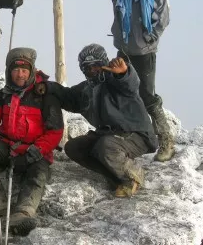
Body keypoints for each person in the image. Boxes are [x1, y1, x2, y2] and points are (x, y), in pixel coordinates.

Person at [84, 0, 174, 161]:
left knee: (146, 94)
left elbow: (163, 15)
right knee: (119, 91)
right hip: (123, 52)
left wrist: (152, 35)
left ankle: (166, 140)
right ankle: (124, 138)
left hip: (145, 52)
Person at [0, 47, 63, 236]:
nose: (20, 74)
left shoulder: (45, 95)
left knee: (36, 176)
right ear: (9, 71)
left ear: (31, 71)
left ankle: (23, 212)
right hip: (7, 145)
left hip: (36, 150)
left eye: (24, 70)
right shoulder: (4, 94)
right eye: (15, 70)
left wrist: (35, 151)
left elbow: (55, 131)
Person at [46, 44, 158, 197]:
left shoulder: (116, 80)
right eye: (87, 68)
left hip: (136, 134)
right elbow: (67, 96)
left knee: (106, 147)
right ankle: (113, 176)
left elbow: (130, 83)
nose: (92, 71)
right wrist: (44, 86)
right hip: (107, 134)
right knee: (74, 147)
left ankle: (132, 176)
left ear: (104, 63)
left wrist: (124, 73)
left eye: (96, 66)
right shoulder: (86, 89)